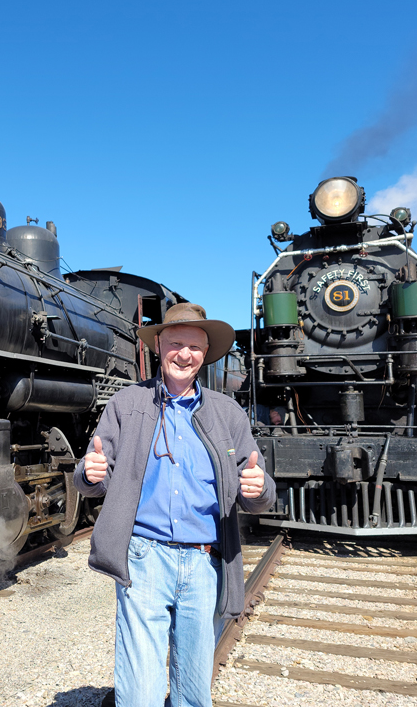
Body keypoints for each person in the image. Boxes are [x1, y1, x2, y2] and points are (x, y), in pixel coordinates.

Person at [74, 303, 276, 707]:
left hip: (204, 562)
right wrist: (88, 472)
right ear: (159, 346)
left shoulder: (227, 412)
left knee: (193, 692)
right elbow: (93, 474)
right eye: (176, 343)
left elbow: (258, 487)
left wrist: (258, 488)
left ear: (205, 354)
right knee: (139, 693)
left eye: (194, 347)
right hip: (144, 559)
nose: (184, 354)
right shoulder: (127, 404)